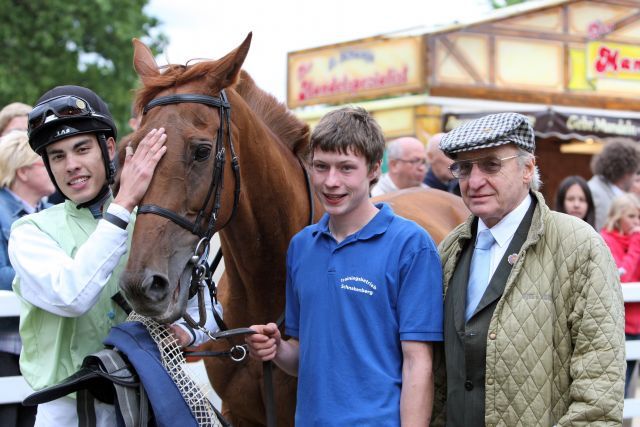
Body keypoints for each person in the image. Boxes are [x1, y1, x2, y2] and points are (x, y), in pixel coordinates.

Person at [8, 85, 221, 426]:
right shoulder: (29, 232)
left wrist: (187, 333)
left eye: (81, 149)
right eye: (57, 156)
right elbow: (71, 295)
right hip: (64, 412)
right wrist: (123, 205)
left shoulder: (150, 224)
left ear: (108, 148)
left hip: (145, 405)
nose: (72, 165)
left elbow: (208, 309)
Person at [246, 107, 443, 425]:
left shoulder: (410, 245)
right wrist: (277, 348)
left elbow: (418, 362)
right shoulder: (301, 247)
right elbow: (303, 357)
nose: (331, 181)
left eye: (346, 168)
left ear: (374, 170)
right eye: (321, 167)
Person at [433, 112, 625, 425]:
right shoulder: (450, 250)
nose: (475, 180)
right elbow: (438, 377)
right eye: (465, 168)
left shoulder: (578, 246)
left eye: (491, 165)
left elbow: (599, 390)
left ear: (528, 169)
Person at [0, 130, 55, 427]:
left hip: (40, 343)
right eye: (44, 162)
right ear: (23, 171)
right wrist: (49, 278)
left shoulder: (52, 212)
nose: (54, 168)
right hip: (6, 343)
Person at [600, 193, 640, 397]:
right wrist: (636, 243)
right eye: (632, 216)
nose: (636, 222)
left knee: (629, 391)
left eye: (639, 217)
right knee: (616, 389)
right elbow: (623, 277)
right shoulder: (605, 239)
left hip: (636, 325)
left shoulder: (636, 240)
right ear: (617, 217)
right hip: (617, 326)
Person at [588, 138, 640, 230]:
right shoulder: (596, 193)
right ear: (627, 171)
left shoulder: (600, 188)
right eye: (634, 172)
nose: (635, 177)